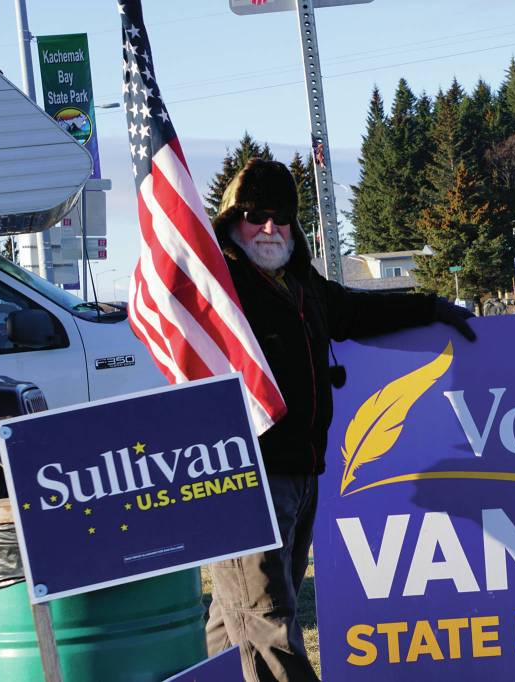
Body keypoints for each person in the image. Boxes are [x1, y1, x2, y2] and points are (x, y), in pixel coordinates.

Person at [204, 159, 475, 681]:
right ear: (231, 222)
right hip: (246, 478)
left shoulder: (301, 284)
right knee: (266, 619)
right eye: (255, 214)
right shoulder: (220, 290)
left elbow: (355, 312)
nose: (268, 228)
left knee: (233, 617)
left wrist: (431, 307)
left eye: (280, 216)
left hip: (304, 476)